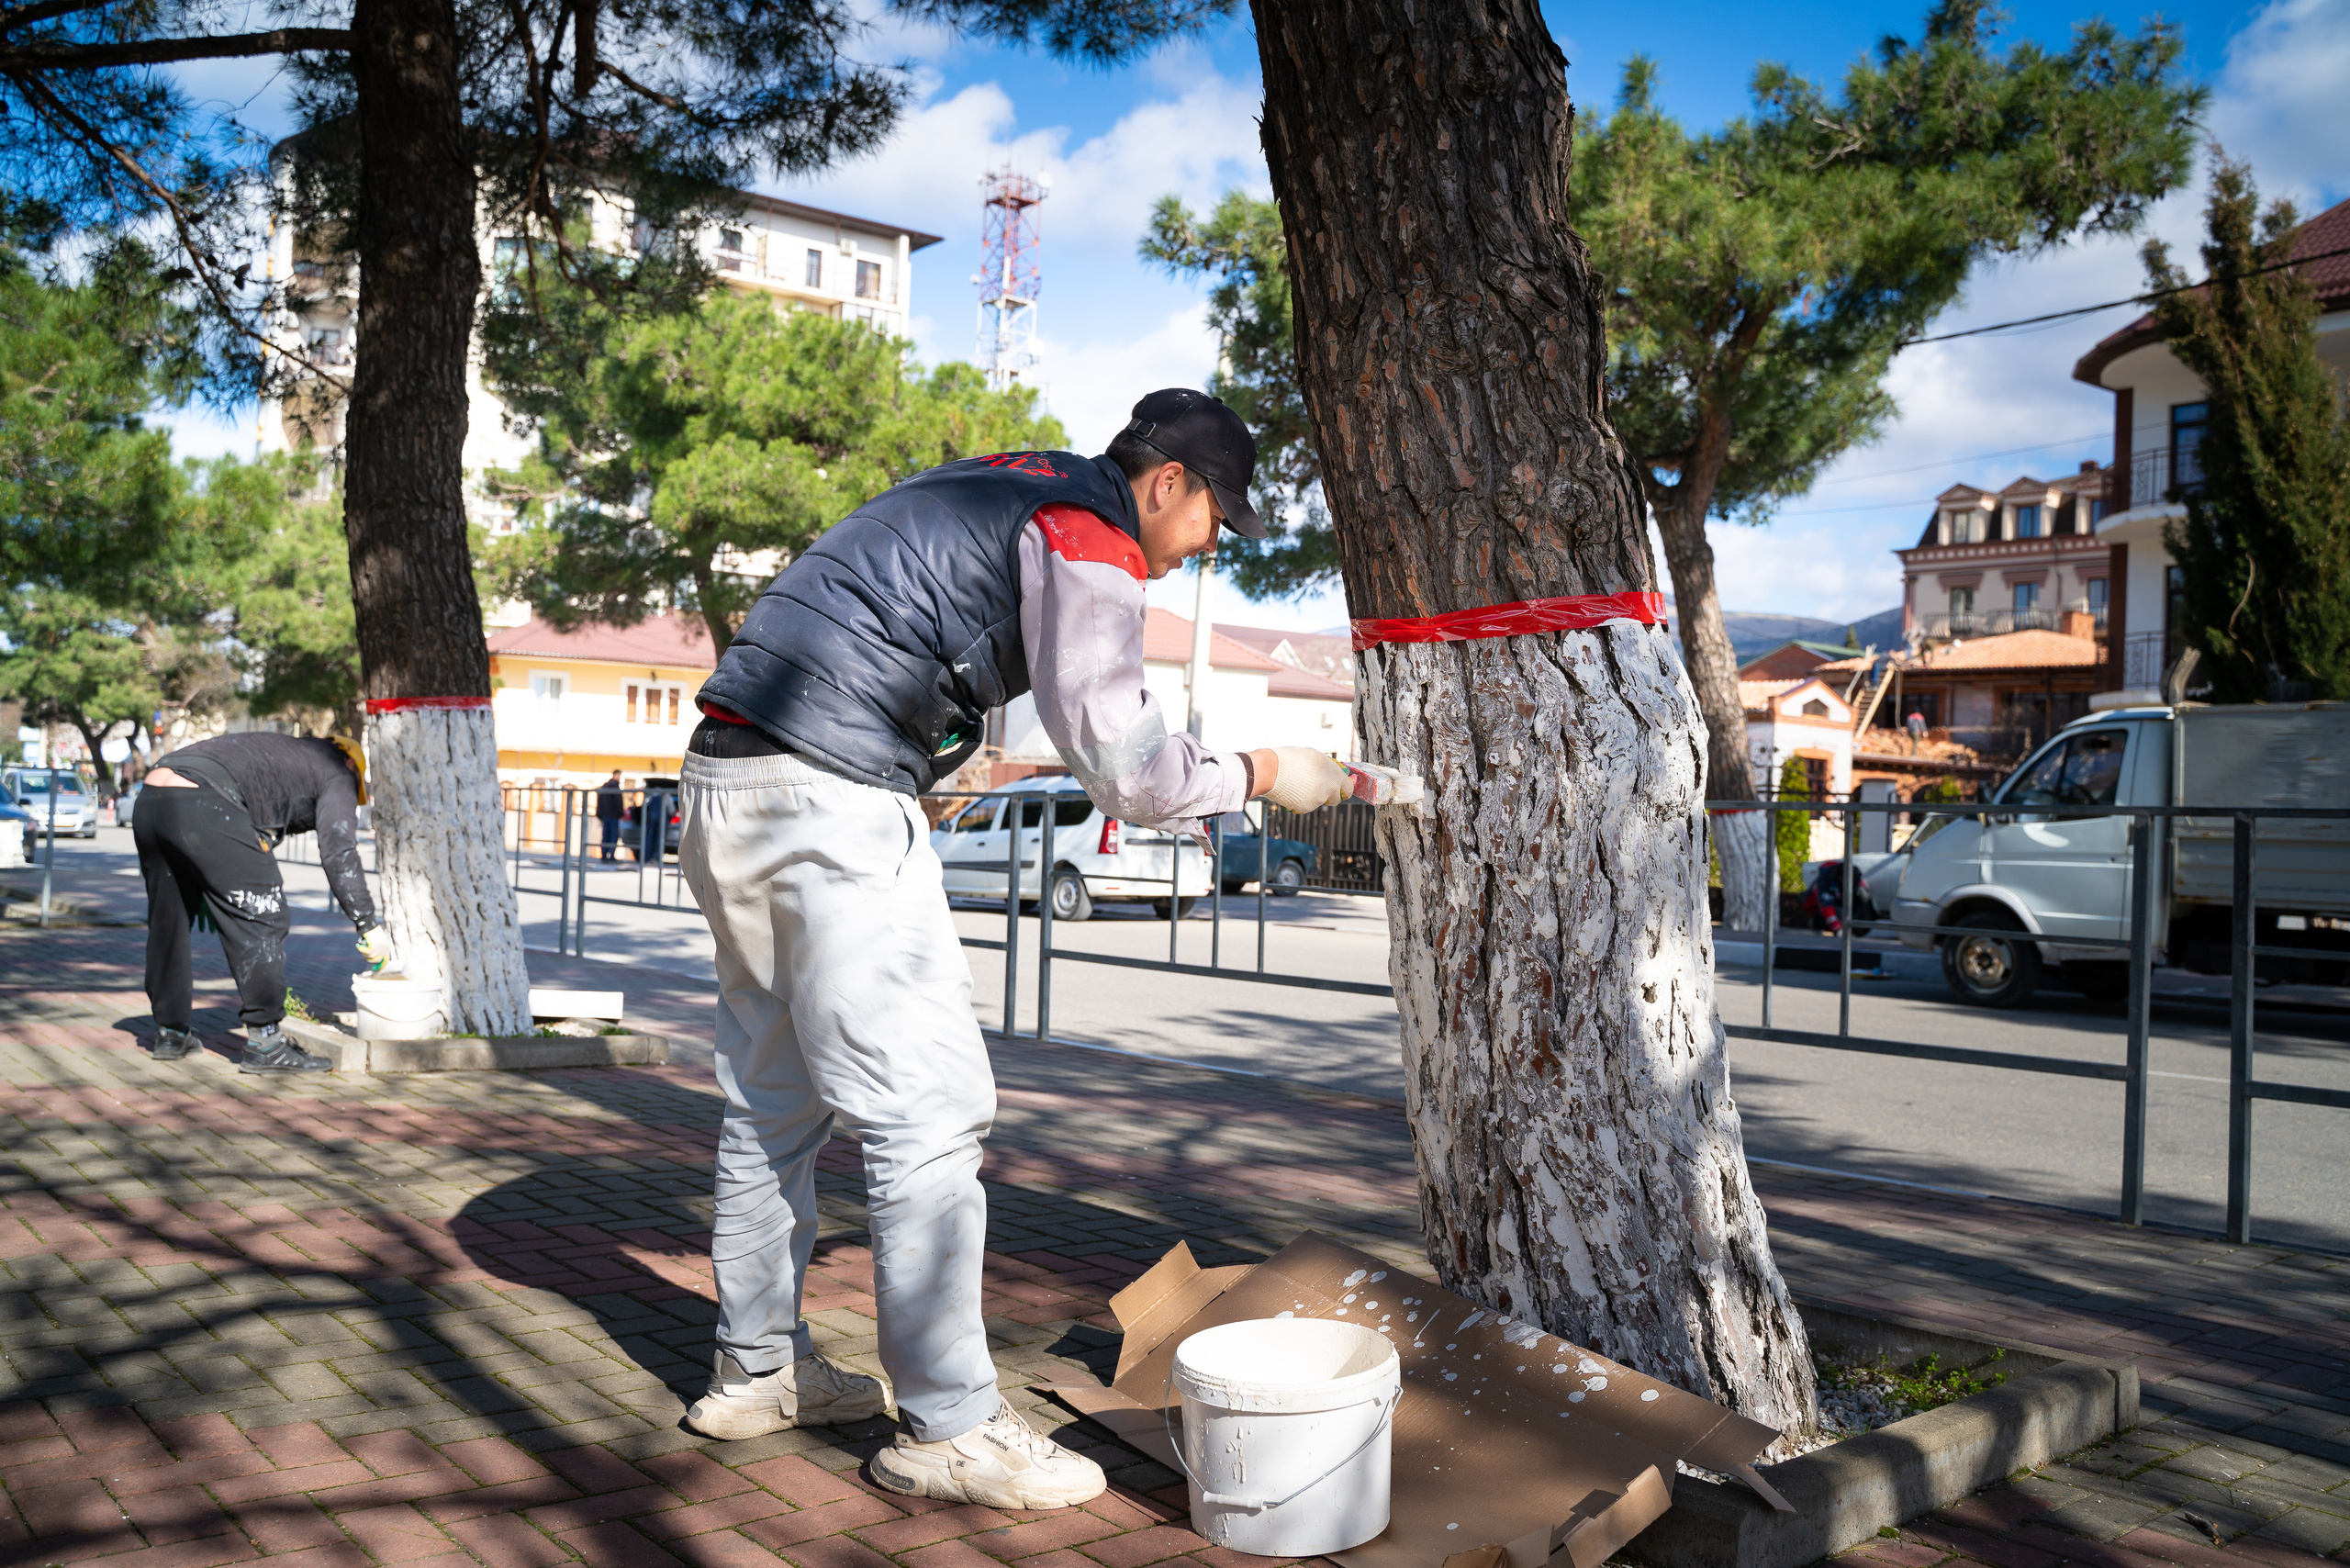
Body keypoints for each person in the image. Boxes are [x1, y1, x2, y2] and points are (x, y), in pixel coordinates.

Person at [674, 389, 1354, 1509]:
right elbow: (1134, 775)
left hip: (729, 778)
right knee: (930, 1113)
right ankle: (947, 1425)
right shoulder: (1092, 533)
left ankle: (758, 1370)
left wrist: (931, 757)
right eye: (1212, 523)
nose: (1207, 551)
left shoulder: (1007, 479)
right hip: (828, 797)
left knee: (772, 1101)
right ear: (1166, 483)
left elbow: (904, 629)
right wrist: (1265, 772)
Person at [134, 733, 397, 1073]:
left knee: (168, 919)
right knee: (264, 914)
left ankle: (171, 1033)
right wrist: (367, 922)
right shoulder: (338, 772)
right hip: (203, 800)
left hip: (152, 799)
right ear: (352, 764)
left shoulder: (286, 753)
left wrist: (203, 877)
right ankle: (267, 1043)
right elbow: (339, 851)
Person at [597, 770, 625, 862]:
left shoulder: (605, 786)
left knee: (605, 835)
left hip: (605, 815)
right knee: (613, 836)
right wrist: (620, 813)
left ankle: (604, 855)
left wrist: (599, 814)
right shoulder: (615, 787)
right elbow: (618, 802)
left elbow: (599, 800)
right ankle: (611, 855)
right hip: (613, 815)